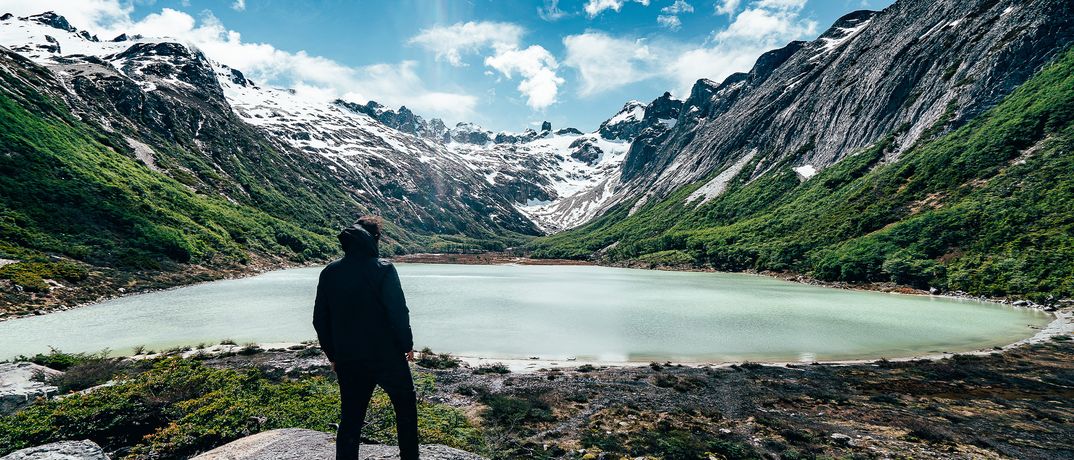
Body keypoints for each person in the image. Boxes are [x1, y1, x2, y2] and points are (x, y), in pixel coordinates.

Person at [313, 215, 418, 459]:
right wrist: (407, 345)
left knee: (351, 419)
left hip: (349, 358)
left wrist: (333, 354)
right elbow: (398, 312)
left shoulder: (330, 272)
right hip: (388, 357)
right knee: (405, 411)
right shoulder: (384, 269)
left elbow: (320, 319)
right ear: (375, 239)